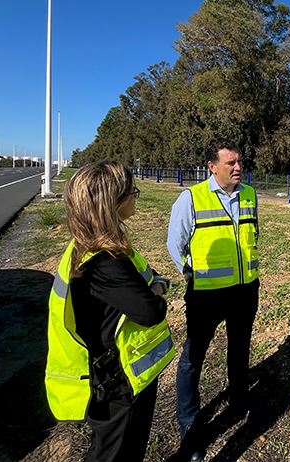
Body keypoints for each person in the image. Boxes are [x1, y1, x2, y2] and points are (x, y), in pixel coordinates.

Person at [45, 160, 175, 462]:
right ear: (111, 203)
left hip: (108, 375)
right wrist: (157, 287)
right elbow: (151, 311)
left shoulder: (85, 248)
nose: (136, 195)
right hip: (118, 384)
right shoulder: (106, 263)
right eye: (132, 192)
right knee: (116, 454)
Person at [167, 137, 260, 461]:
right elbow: (174, 245)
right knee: (194, 358)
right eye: (230, 163)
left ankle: (239, 399)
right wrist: (192, 274)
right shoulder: (191, 198)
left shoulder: (249, 194)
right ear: (212, 166)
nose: (238, 167)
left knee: (239, 348)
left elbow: (253, 235)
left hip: (245, 290)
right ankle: (190, 426)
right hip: (206, 295)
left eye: (239, 161)